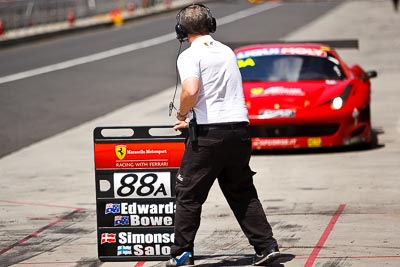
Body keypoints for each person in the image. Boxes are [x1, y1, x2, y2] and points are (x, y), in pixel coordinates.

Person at [167, 3, 280, 266]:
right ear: (211, 25)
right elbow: (219, 95)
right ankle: (266, 247)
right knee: (242, 191)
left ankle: (182, 253)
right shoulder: (226, 51)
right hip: (238, 132)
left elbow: (191, 90)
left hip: (209, 136)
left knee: (189, 194)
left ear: (181, 31)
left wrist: (183, 115)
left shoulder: (189, 55)